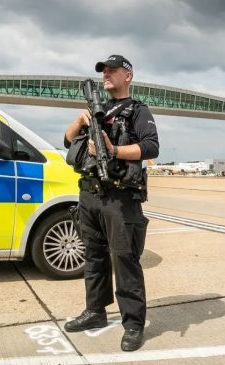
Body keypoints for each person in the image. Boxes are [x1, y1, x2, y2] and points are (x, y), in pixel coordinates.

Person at [63, 55, 159, 351]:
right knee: (94, 257)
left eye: (112, 70)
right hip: (90, 194)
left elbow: (151, 146)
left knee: (125, 259)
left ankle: (133, 324)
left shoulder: (137, 111)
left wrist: (113, 148)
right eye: (103, 71)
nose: (106, 74)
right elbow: (68, 142)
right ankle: (95, 312)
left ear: (127, 76)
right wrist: (80, 120)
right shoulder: (95, 112)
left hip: (119, 197)